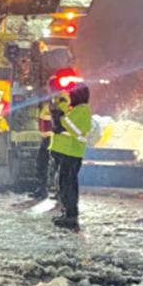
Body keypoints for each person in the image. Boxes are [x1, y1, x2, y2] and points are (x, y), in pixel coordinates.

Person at [49, 82, 91, 231]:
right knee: (64, 184)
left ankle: (71, 217)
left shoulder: (83, 110)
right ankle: (67, 213)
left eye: (71, 94)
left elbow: (75, 129)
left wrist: (61, 116)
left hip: (71, 152)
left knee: (68, 185)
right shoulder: (76, 110)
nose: (69, 97)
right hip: (66, 152)